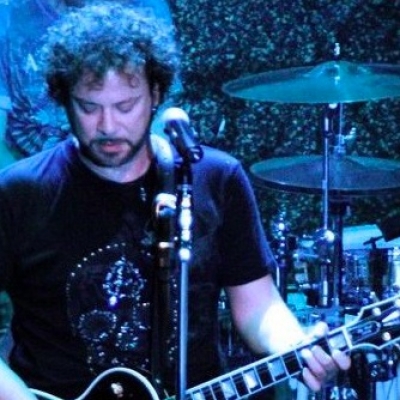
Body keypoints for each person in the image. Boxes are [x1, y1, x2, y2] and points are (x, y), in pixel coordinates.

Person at [0, 3, 350, 399]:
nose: (108, 126)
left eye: (125, 106)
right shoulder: (19, 192)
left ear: (156, 95)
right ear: (64, 100)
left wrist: (295, 345)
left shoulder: (215, 178)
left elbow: (257, 305)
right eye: (89, 107)